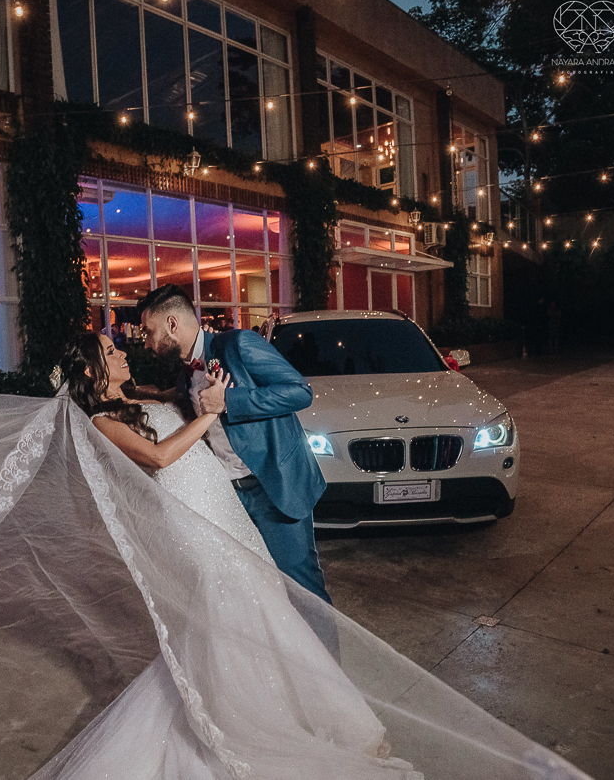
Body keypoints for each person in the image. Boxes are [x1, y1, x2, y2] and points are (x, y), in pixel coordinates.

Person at [53, 333, 411, 778]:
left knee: (267, 607)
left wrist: (208, 392)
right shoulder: (103, 422)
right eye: (110, 352)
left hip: (222, 509)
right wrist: (210, 413)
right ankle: (251, 723)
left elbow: (175, 405)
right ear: (90, 370)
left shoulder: (135, 396)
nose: (124, 351)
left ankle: (301, 710)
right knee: (230, 612)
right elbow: (160, 456)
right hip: (191, 523)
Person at [137, 284, 330, 603]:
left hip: (272, 489)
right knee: (254, 594)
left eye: (148, 331)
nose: (146, 343)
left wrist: (230, 400)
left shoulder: (238, 344)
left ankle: (326, 656)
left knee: (303, 592)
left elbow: (299, 391)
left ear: (172, 324)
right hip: (228, 497)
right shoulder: (186, 376)